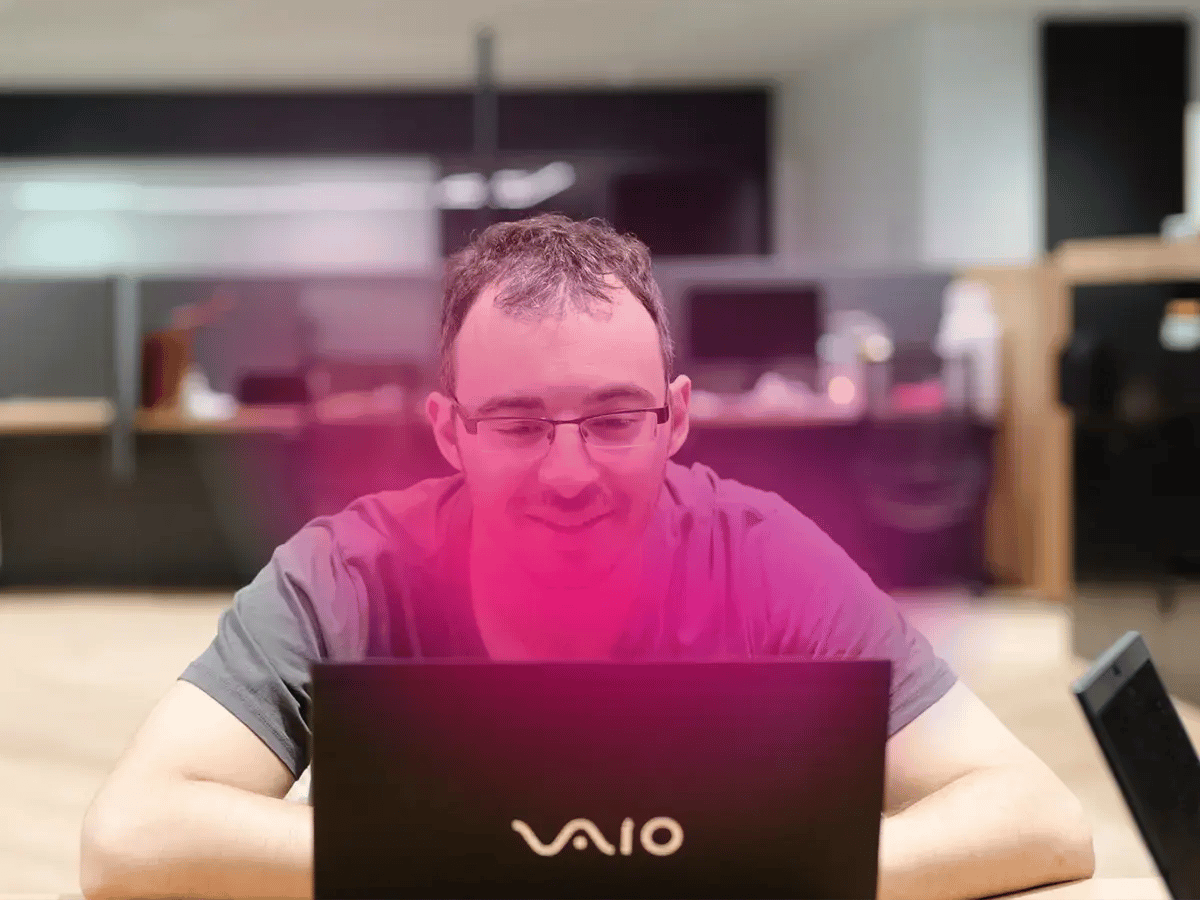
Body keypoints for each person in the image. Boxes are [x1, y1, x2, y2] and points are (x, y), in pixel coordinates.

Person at [80, 214, 1094, 900]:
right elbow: (130, 837)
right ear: (450, 432)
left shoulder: (766, 557)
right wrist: (521, 861)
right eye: (517, 424)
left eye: (614, 420)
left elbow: (1038, 818)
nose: (569, 475)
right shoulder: (346, 576)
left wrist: (737, 869)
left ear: (676, 419)